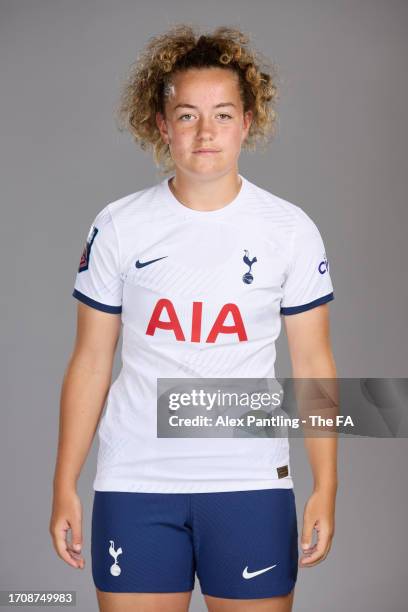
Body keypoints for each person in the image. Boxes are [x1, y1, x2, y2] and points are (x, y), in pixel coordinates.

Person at [49, 23, 338, 612]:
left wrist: (327, 486)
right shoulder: (121, 224)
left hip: (250, 484)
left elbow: (313, 365)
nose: (206, 132)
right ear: (161, 124)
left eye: (223, 115)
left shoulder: (290, 230)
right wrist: (65, 483)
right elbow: (91, 360)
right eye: (187, 115)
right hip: (135, 485)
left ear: (248, 122)